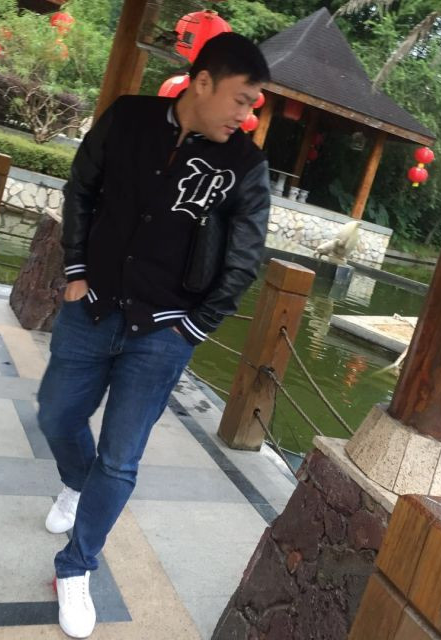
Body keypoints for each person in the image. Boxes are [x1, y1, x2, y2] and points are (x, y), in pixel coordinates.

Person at [37, 32, 271, 639]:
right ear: (202, 82)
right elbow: (82, 187)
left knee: (120, 460)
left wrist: (196, 327)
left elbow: (245, 258)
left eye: (253, 104)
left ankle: (76, 566)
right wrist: (75, 271)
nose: (246, 115)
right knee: (56, 414)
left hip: (164, 332)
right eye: (241, 99)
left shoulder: (246, 166)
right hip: (90, 308)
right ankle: (75, 482)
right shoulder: (129, 118)